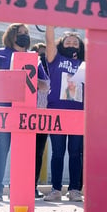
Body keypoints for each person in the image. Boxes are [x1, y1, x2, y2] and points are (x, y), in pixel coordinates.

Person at [0, 23, 31, 202]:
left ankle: (20, 188)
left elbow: (44, 83)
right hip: (3, 108)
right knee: (1, 148)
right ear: (11, 35)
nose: (23, 36)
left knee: (23, 151)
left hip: (26, 110)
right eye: (20, 33)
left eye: (26, 34)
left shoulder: (32, 57)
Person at [43, 27, 85, 202]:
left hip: (78, 113)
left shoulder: (85, 62)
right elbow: (49, 41)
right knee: (58, 152)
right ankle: (56, 189)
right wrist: (51, 23)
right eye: (68, 41)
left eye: (76, 42)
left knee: (76, 153)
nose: (72, 44)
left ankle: (75, 189)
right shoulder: (55, 59)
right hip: (57, 111)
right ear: (62, 43)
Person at [33, 56, 51, 199]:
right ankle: (16, 185)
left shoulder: (43, 66)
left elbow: (46, 86)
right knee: (22, 153)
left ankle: (33, 186)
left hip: (42, 114)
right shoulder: (32, 62)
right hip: (25, 114)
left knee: (38, 153)